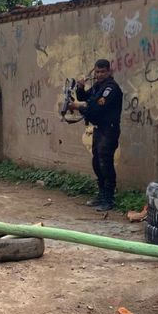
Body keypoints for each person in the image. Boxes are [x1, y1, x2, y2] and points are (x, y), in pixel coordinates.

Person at [68, 59, 123, 211]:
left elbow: (95, 109)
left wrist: (77, 107)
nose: (99, 75)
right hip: (99, 130)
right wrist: (80, 86)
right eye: (97, 72)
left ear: (109, 72)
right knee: (97, 163)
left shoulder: (111, 89)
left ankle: (109, 198)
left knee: (106, 163)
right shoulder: (98, 86)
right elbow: (85, 97)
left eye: (102, 72)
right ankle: (101, 194)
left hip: (109, 130)